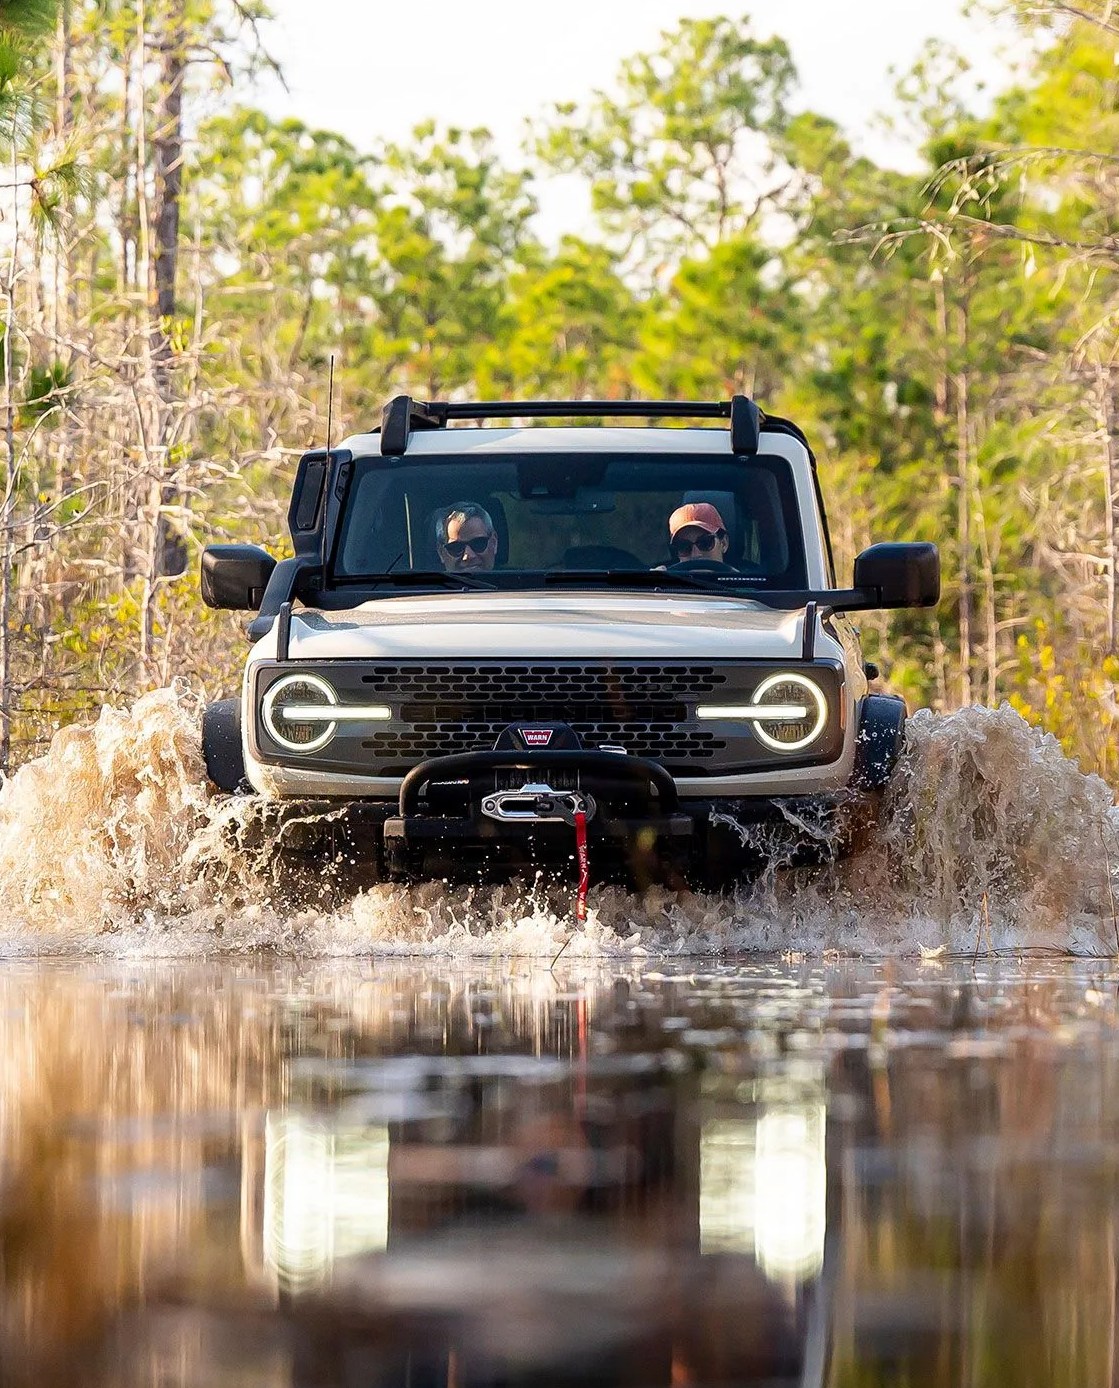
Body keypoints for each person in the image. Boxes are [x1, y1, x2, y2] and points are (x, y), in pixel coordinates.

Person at [436, 501, 498, 573]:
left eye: (478, 543)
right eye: (456, 547)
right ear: (441, 553)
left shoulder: (510, 579)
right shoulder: (425, 580)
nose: (468, 556)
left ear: (494, 543)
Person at [666, 502, 731, 566]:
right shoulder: (665, 573)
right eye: (684, 547)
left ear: (724, 543)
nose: (695, 555)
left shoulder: (736, 573)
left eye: (705, 543)